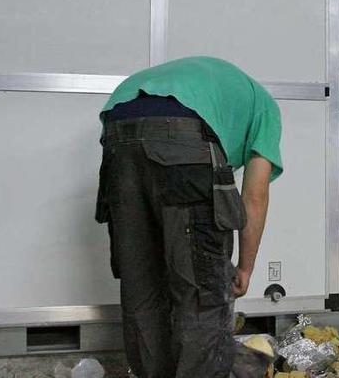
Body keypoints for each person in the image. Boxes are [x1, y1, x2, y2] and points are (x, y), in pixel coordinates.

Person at [95, 56, 282, 378]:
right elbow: (253, 196)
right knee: (201, 292)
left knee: (143, 285)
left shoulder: (220, 88)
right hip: (183, 131)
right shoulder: (266, 109)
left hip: (118, 128)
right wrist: (245, 267)